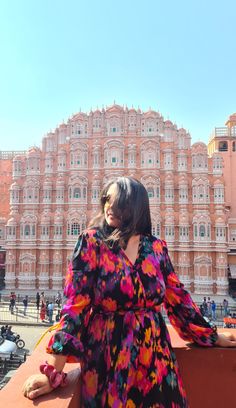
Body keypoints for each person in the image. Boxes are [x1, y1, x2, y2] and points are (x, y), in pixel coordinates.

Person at [22, 177, 236, 406]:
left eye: (120, 203)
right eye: (107, 200)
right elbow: (76, 306)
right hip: (108, 357)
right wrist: (53, 371)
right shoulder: (92, 242)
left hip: (155, 358)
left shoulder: (156, 248)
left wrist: (212, 336)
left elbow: (178, 299)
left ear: (136, 208)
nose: (110, 208)